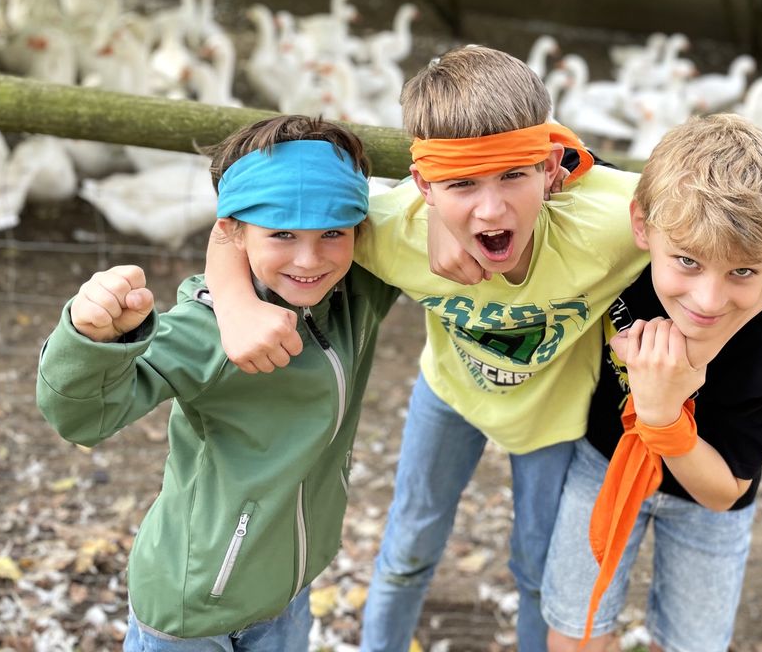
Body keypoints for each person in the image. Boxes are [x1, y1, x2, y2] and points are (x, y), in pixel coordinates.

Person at [202, 45, 649, 650]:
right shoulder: (391, 229)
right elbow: (243, 213)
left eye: (513, 175)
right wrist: (234, 305)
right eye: (461, 183)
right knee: (408, 548)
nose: (491, 209)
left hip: (553, 413)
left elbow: (741, 220)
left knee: (537, 569)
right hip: (448, 395)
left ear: (549, 168)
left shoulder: (618, 220)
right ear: (423, 184)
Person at [35, 115, 400, 651]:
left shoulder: (355, 294)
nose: (309, 258)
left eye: (331, 233)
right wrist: (90, 340)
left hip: (288, 588)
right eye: (281, 234)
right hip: (194, 608)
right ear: (232, 230)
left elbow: (429, 205)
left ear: (356, 230)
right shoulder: (204, 330)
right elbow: (83, 418)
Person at [540, 114, 762, 652]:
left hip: (704, 493)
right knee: (574, 631)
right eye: (687, 261)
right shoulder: (623, 232)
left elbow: (722, 492)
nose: (708, 301)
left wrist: (662, 417)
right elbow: (535, 151)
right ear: (642, 226)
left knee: (693, 643)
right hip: (606, 458)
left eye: (743, 272)